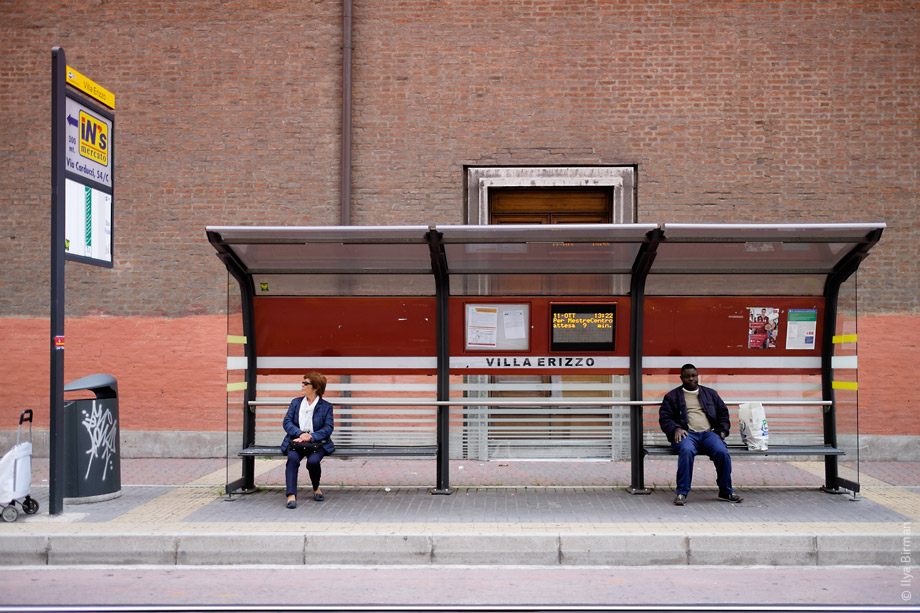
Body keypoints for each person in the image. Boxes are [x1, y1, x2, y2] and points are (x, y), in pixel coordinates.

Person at [658, 364, 742, 505]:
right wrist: (675, 429)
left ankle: (725, 491)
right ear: (681, 378)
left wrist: (722, 431)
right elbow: (665, 418)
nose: (691, 379)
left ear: (698, 376)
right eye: (687, 376)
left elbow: (723, 414)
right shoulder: (672, 396)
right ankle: (682, 493)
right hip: (687, 435)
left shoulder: (710, 394)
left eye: (694, 375)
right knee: (686, 451)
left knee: (722, 452)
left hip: (709, 434)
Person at [282, 371, 335, 508]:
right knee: (292, 459)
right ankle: (291, 495)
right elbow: (287, 422)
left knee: (313, 462)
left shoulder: (326, 406)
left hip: (317, 443)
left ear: (316, 387)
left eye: (306, 383)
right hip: (296, 442)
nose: (302, 385)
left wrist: (311, 436)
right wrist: (300, 434)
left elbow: (328, 428)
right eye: (302, 382)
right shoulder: (296, 403)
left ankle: (316, 487)